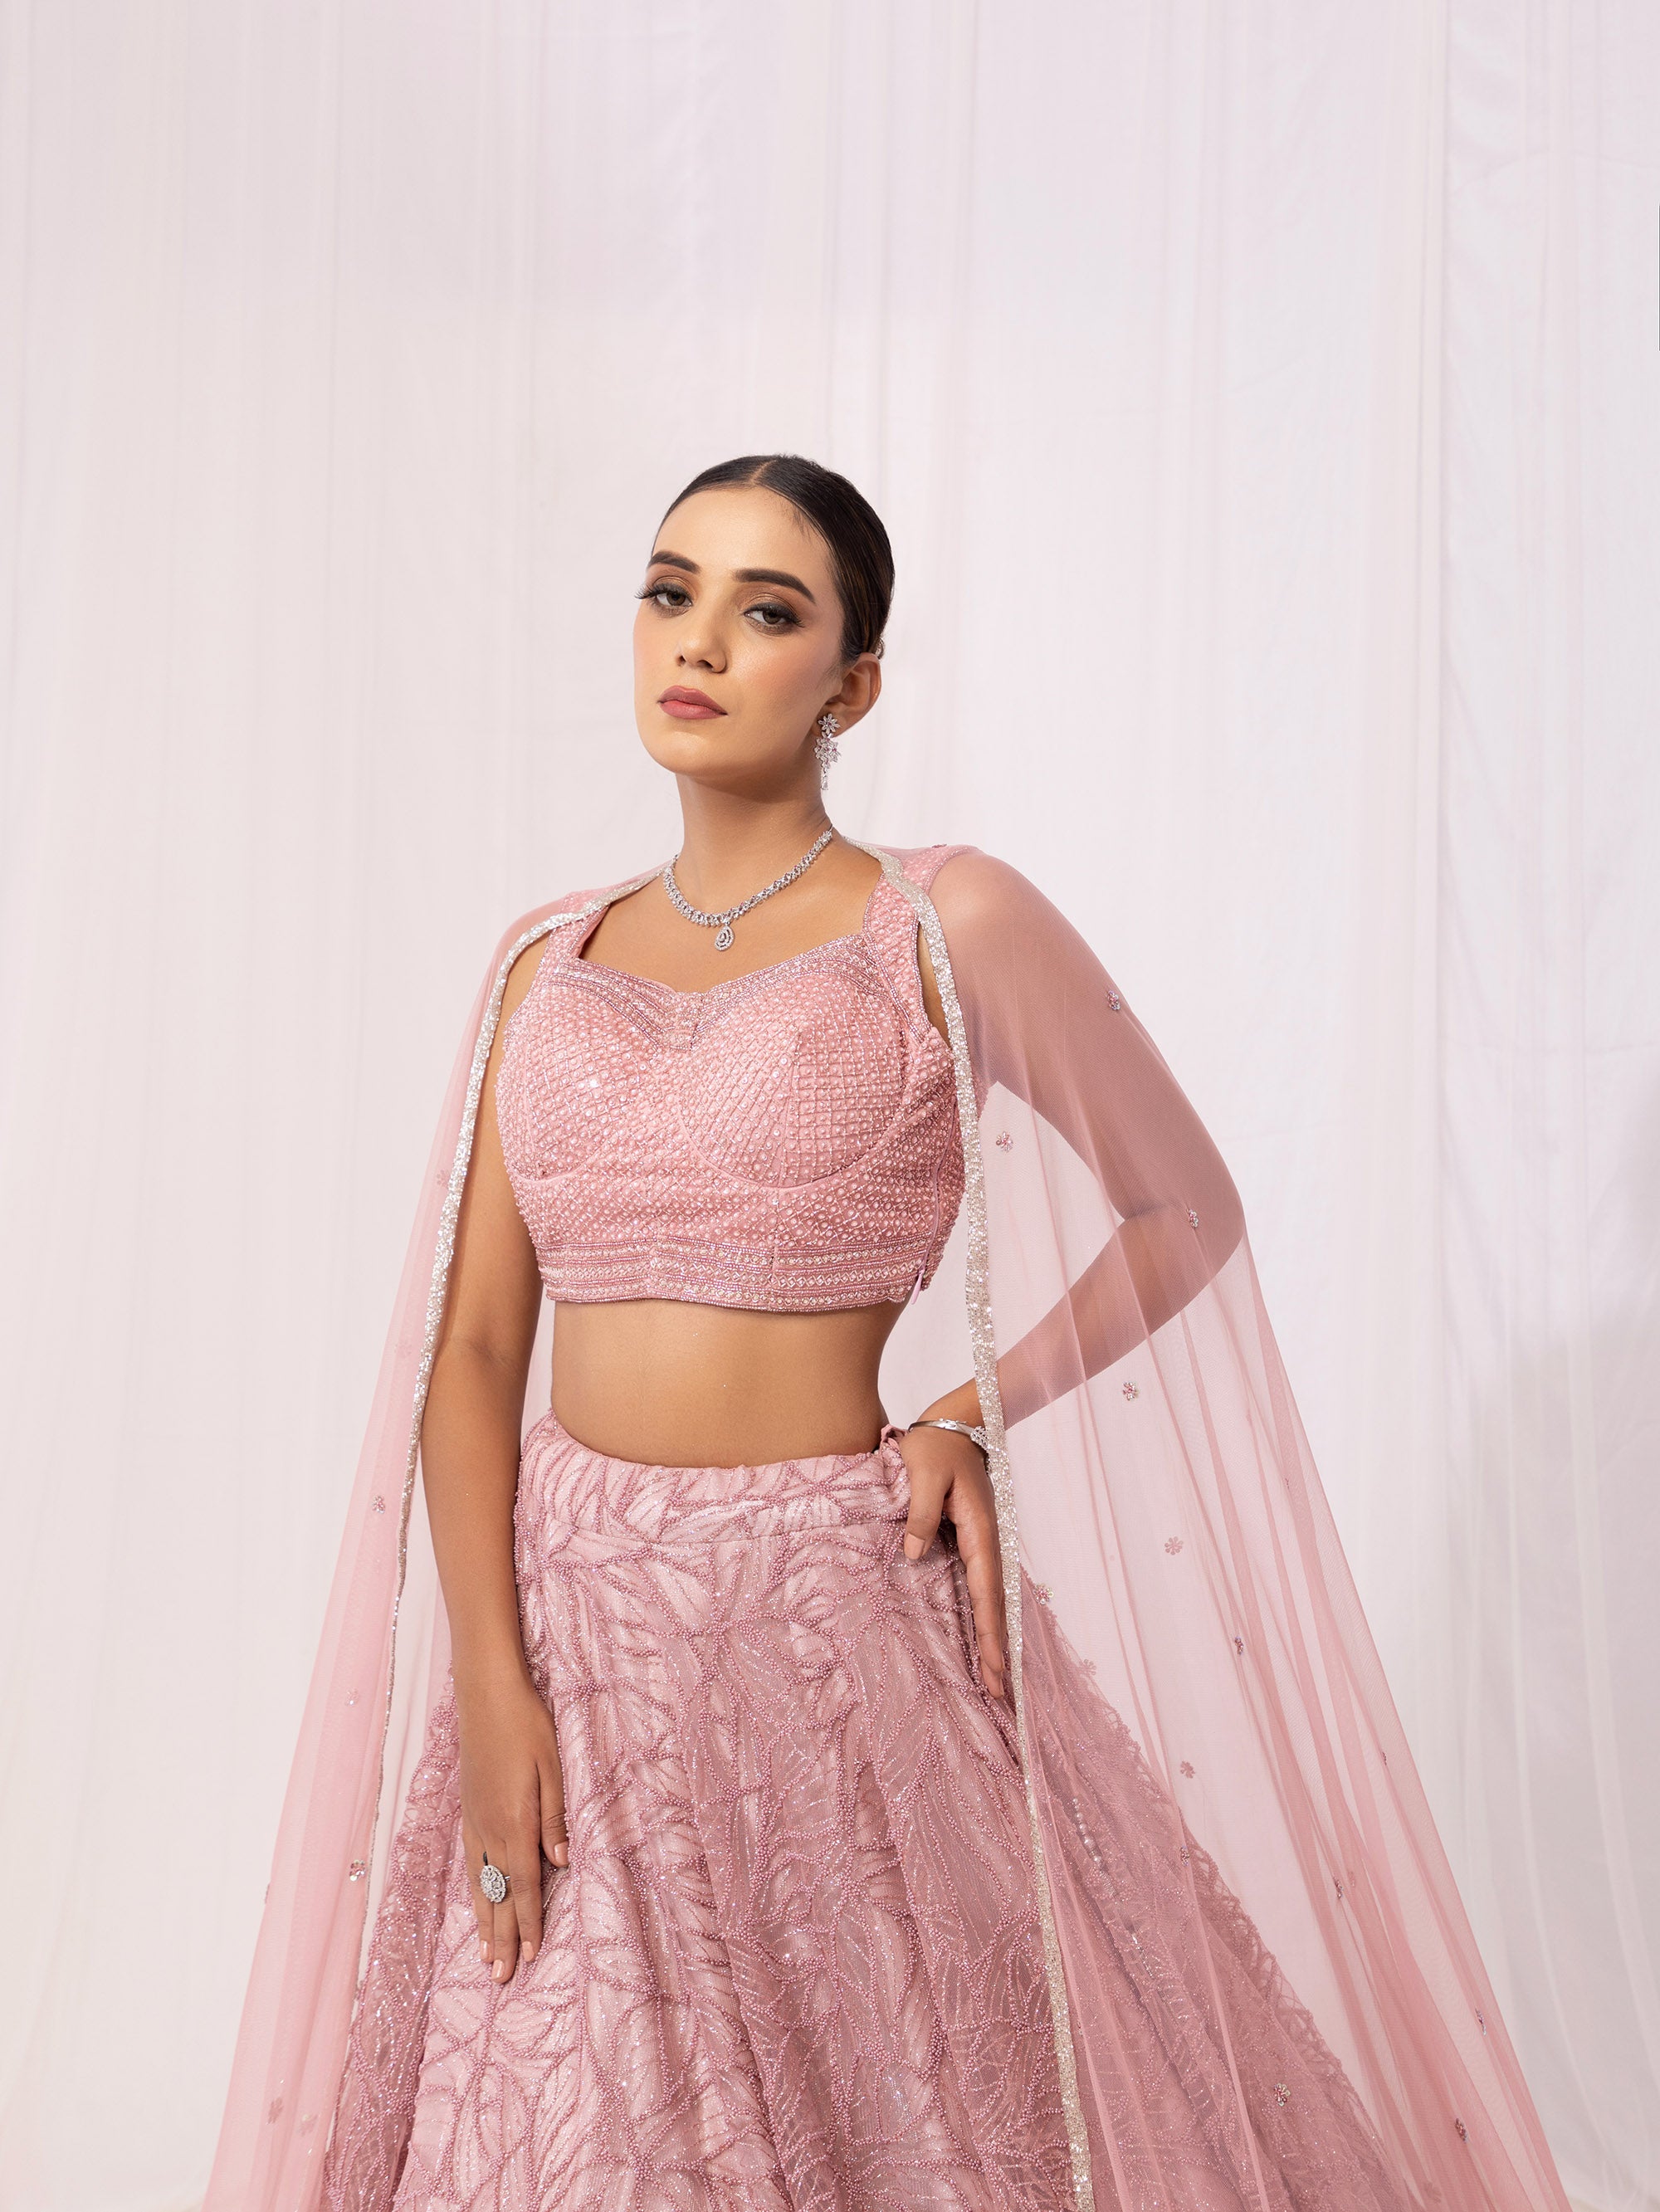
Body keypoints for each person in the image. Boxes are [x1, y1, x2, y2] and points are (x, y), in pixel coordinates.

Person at [208, 457, 1570, 2212]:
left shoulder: (938, 919)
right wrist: (489, 1681)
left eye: (765, 610)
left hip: (830, 1621)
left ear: (849, 684)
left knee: (911, 2104)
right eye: (670, 590)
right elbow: (471, 1352)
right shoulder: (542, 962)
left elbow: (1182, 1209)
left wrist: (971, 1405)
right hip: (570, 1630)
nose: (698, 641)